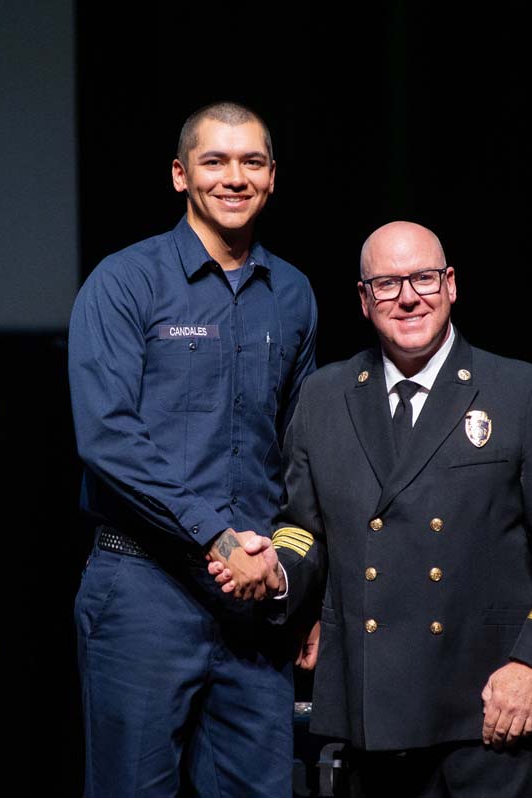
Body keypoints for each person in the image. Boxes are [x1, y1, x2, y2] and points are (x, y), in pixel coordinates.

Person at [259, 221, 532, 797]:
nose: (409, 297)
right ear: (365, 302)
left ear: (450, 285)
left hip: (492, 713)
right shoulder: (324, 397)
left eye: (422, 277)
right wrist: (279, 579)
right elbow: (301, 529)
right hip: (372, 716)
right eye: (388, 284)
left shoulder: (519, 392)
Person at [68, 101, 318, 798]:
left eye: (252, 162)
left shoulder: (293, 295)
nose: (233, 178)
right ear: (181, 176)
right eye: (214, 162)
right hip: (143, 590)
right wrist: (215, 537)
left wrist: (305, 582)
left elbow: (301, 457)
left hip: (255, 601)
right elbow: (108, 438)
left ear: (272, 177)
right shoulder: (125, 282)